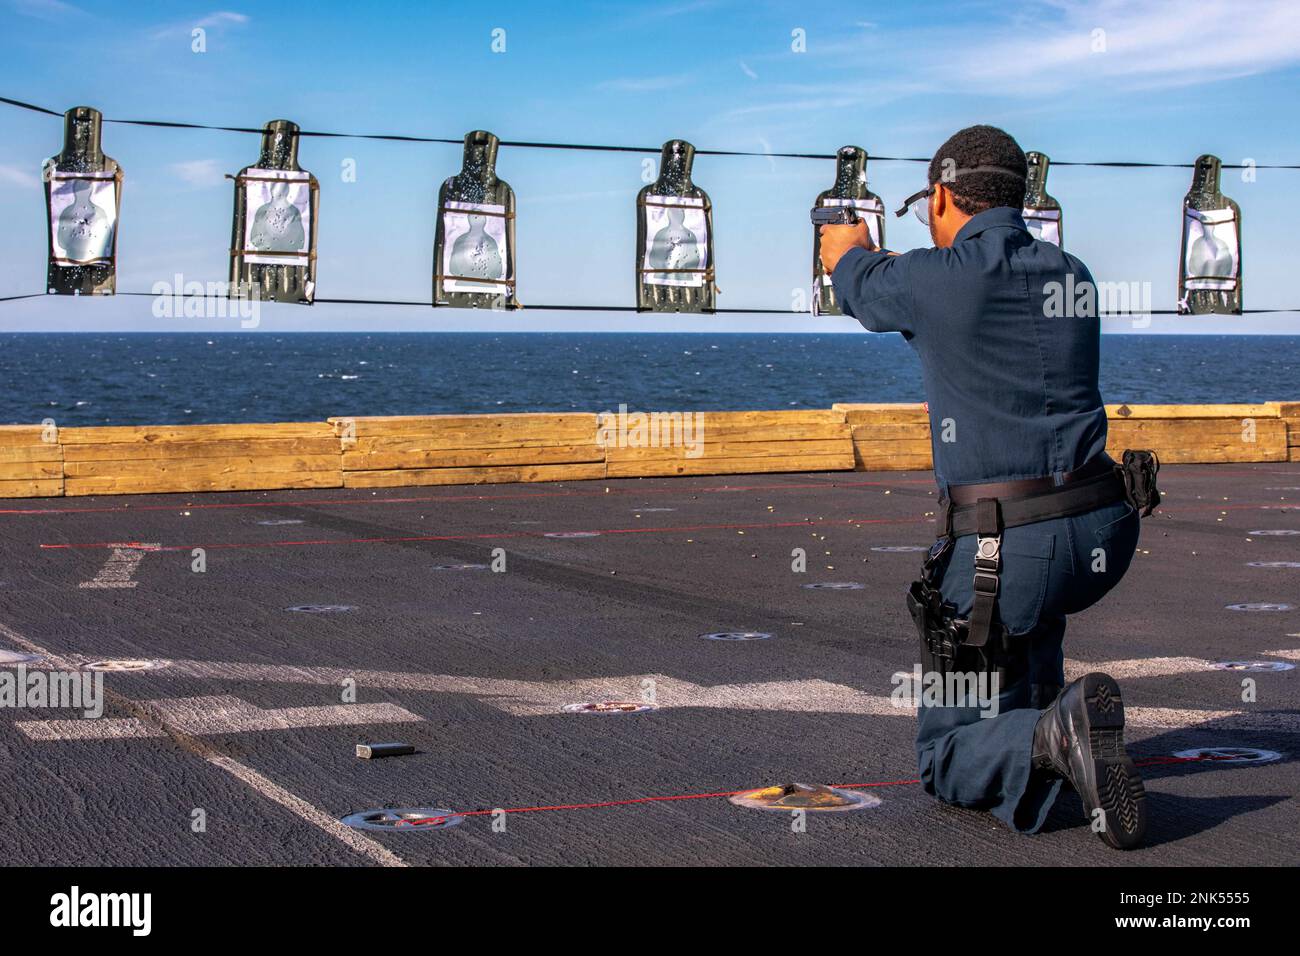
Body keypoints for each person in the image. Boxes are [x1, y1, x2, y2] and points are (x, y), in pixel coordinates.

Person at [819, 125, 1158, 849]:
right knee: (1024, 629)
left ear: (942, 195)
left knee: (945, 756)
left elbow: (860, 287)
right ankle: (1053, 728)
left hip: (1004, 554)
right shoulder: (1073, 273)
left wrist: (842, 248)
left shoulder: (935, 277)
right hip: (1100, 530)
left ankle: (1048, 734)